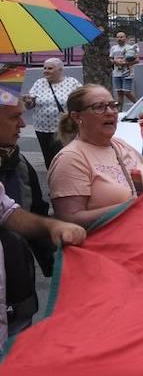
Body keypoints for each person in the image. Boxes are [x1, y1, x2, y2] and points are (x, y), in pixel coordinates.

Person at [0, 87, 85, 339]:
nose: (23, 124)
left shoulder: (21, 163)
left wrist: (53, 229)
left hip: (18, 296)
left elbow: (11, 211)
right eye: (14, 117)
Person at [49, 85, 143, 229]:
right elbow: (70, 219)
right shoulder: (70, 158)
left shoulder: (120, 144)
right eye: (99, 107)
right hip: (107, 247)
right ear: (77, 117)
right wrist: (130, 207)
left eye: (113, 105)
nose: (110, 112)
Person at [23, 58, 81, 167]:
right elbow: (30, 105)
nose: (45, 71)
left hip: (64, 128)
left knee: (64, 156)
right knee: (48, 157)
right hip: (42, 128)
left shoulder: (72, 82)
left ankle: (66, 176)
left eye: (50, 68)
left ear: (60, 69)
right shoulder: (39, 83)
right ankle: (52, 178)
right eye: (44, 68)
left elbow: (82, 100)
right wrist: (28, 102)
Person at [109, 31, 139, 109]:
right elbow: (110, 59)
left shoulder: (130, 47)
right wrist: (115, 61)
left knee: (127, 92)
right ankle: (119, 111)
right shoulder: (113, 48)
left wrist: (125, 63)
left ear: (125, 38)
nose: (119, 38)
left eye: (121, 37)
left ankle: (139, 105)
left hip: (127, 73)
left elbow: (137, 60)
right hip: (116, 73)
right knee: (119, 93)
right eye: (118, 37)